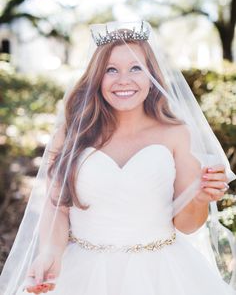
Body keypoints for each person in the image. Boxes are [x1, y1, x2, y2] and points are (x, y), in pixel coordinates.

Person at [1, 21, 236, 295]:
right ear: (97, 77)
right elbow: (56, 206)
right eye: (111, 70)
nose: (124, 79)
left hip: (162, 272)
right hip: (83, 273)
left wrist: (200, 198)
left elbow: (186, 225)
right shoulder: (71, 134)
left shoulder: (176, 134)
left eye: (136, 67)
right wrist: (50, 251)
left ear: (152, 75)